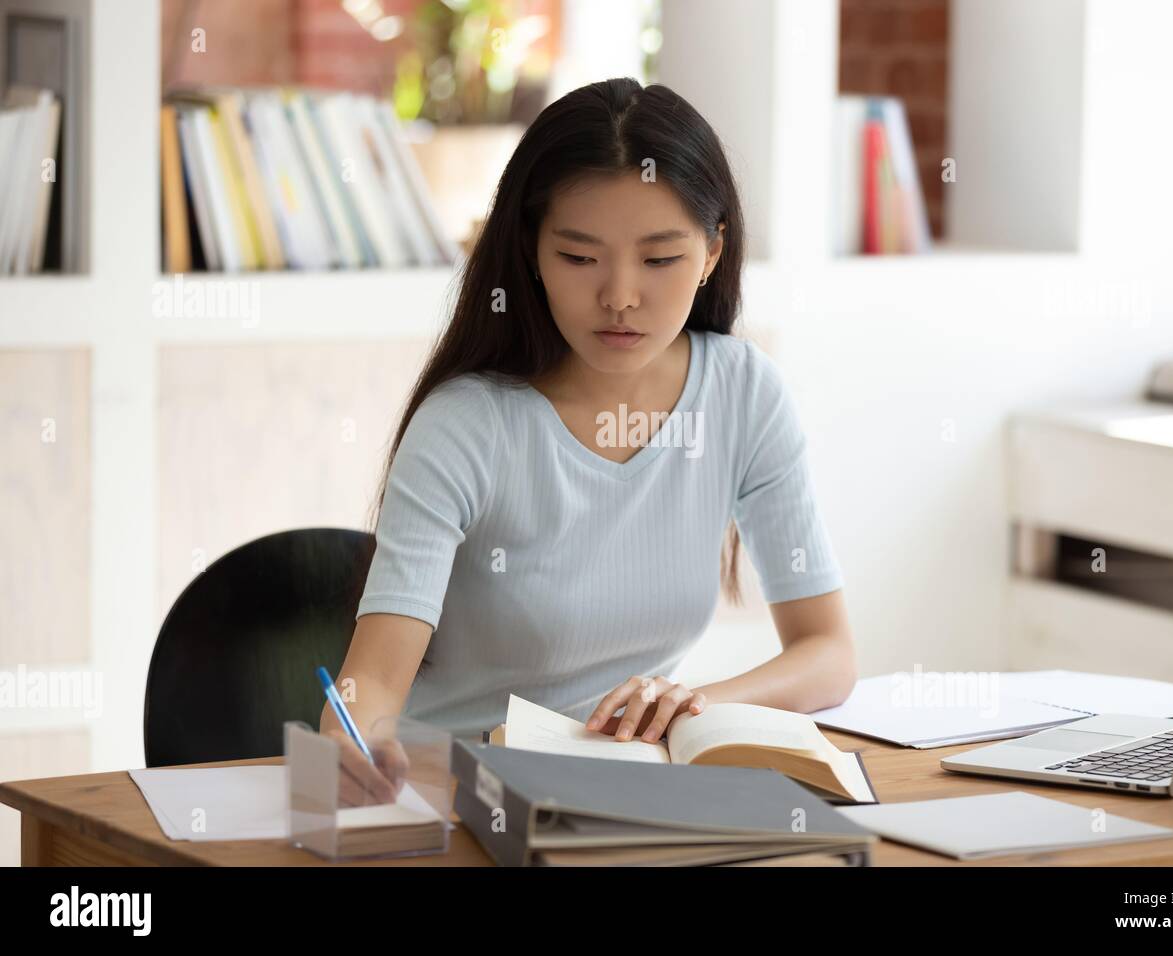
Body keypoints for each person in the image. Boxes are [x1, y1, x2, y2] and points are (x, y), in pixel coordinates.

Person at [320, 77, 854, 806]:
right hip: (461, 799)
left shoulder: (743, 393)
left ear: (711, 253)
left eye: (660, 259)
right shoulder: (467, 425)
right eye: (578, 258)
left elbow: (827, 653)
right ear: (531, 254)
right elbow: (374, 679)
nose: (620, 296)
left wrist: (688, 702)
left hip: (620, 793)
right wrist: (356, 737)